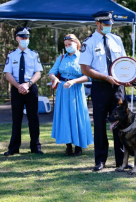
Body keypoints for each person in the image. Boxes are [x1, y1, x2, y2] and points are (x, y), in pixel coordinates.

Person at [79, 11, 131, 171]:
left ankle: (121, 160)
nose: (109, 27)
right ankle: (100, 160)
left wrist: (127, 76)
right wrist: (105, 77)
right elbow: (85, 69)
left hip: (117, 87)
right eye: (106, 24)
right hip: (100, 86)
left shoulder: (117, 40)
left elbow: (124, 63)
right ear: (98, 24)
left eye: (110, 24)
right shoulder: (89, 43)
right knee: (100, 124)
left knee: (120, 123)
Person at [49, 34, 93, 156]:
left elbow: (88, 75)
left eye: (70, 44)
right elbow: (52, 72)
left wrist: (74, 81)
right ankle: (68, 145)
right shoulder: (62, 58)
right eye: (66, 45)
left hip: (76, 89)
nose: (68, 47)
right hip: (63, 90)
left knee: (77, 115)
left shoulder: (82, 57)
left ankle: (78, 146)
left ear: (76, 44)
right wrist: (55, 79)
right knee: (65, 116)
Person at [3, 27, 43, 156]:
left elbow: (38, 72)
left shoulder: (34, 54)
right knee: (16, 118)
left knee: (34, 119)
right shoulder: (11, 55)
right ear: (17, 38)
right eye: (23, 37)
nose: (25, 39)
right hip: (16, 90)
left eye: (27, 37)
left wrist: (28, 84)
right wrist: (19, 86)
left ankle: (36, 147)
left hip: (31, 89)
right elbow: (8, 74)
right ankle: (14, 148)